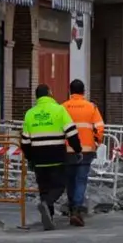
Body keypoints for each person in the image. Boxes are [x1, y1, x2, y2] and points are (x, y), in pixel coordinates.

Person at [21, 84, 81, 230]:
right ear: (50, 94)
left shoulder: (29, 114)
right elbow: (71, 133)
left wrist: (30, 159)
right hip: (57, 156)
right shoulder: (60, 110)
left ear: (37, 97)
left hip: (39, 159)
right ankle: (47, 204)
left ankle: (49, 218)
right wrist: (78, 149)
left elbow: (25, 141)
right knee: (60, 186)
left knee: (44, 188)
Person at [61, 79, 105, 227]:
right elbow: (99, 128)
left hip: (67, 150)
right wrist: (97, 142)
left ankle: (72, 206)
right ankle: (76, 210)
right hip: (86, 150)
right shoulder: (91, 107)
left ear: (70, 91)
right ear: (83, 91)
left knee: (70, 180)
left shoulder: (63, 107)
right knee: (81, 180)